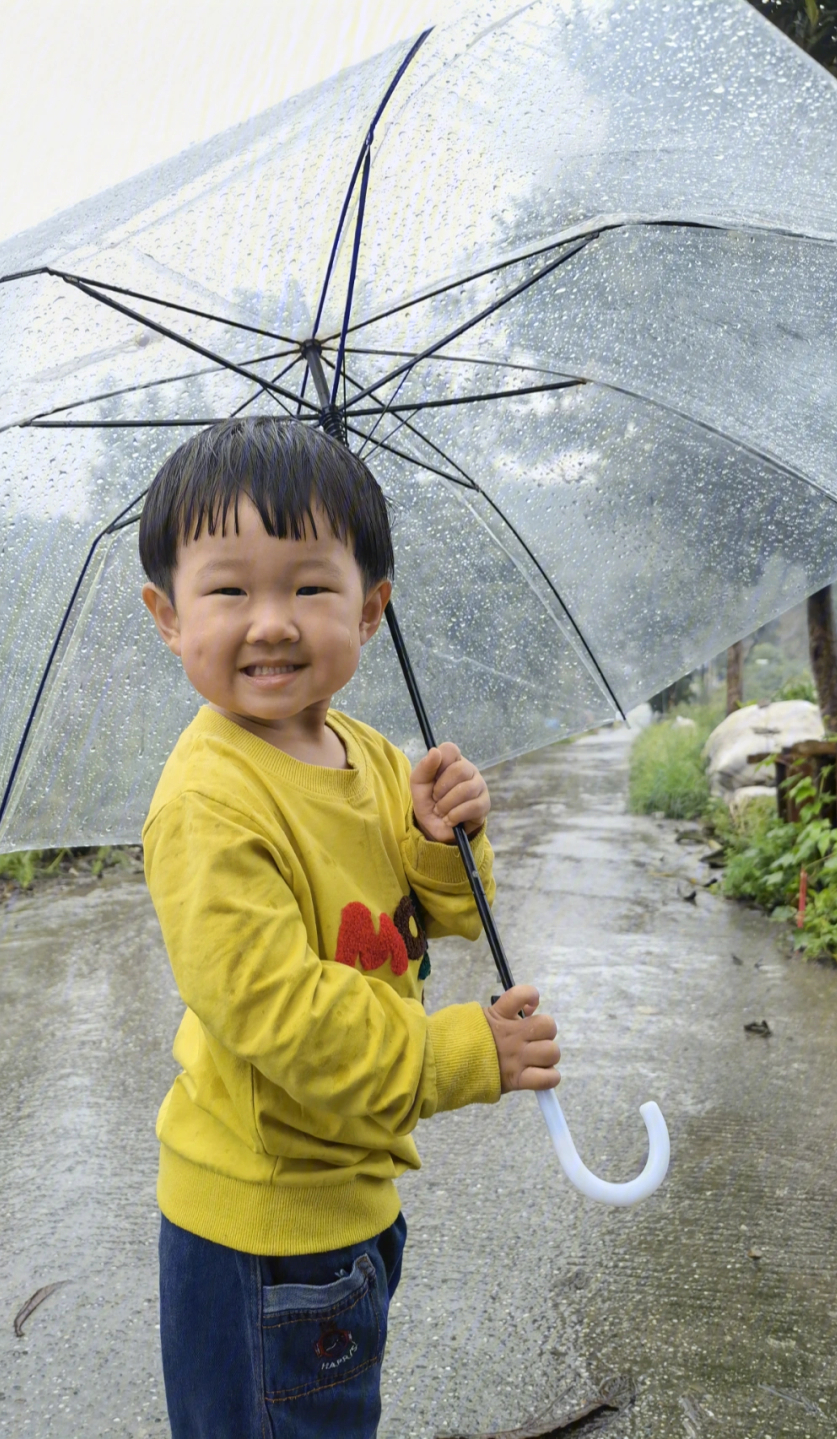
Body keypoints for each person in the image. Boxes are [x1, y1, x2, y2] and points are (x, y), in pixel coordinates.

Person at [138, 417, 560, 1438]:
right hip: (260, 1232)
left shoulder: (369, 753)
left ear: (372, 609)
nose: (272, 621)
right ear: (167, 613)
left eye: (310, 587)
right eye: (230, 589)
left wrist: (440, 837)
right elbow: (279, 1016)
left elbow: (448, 914)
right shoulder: (209, 799)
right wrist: (465, 1051)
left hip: (356, 1198)